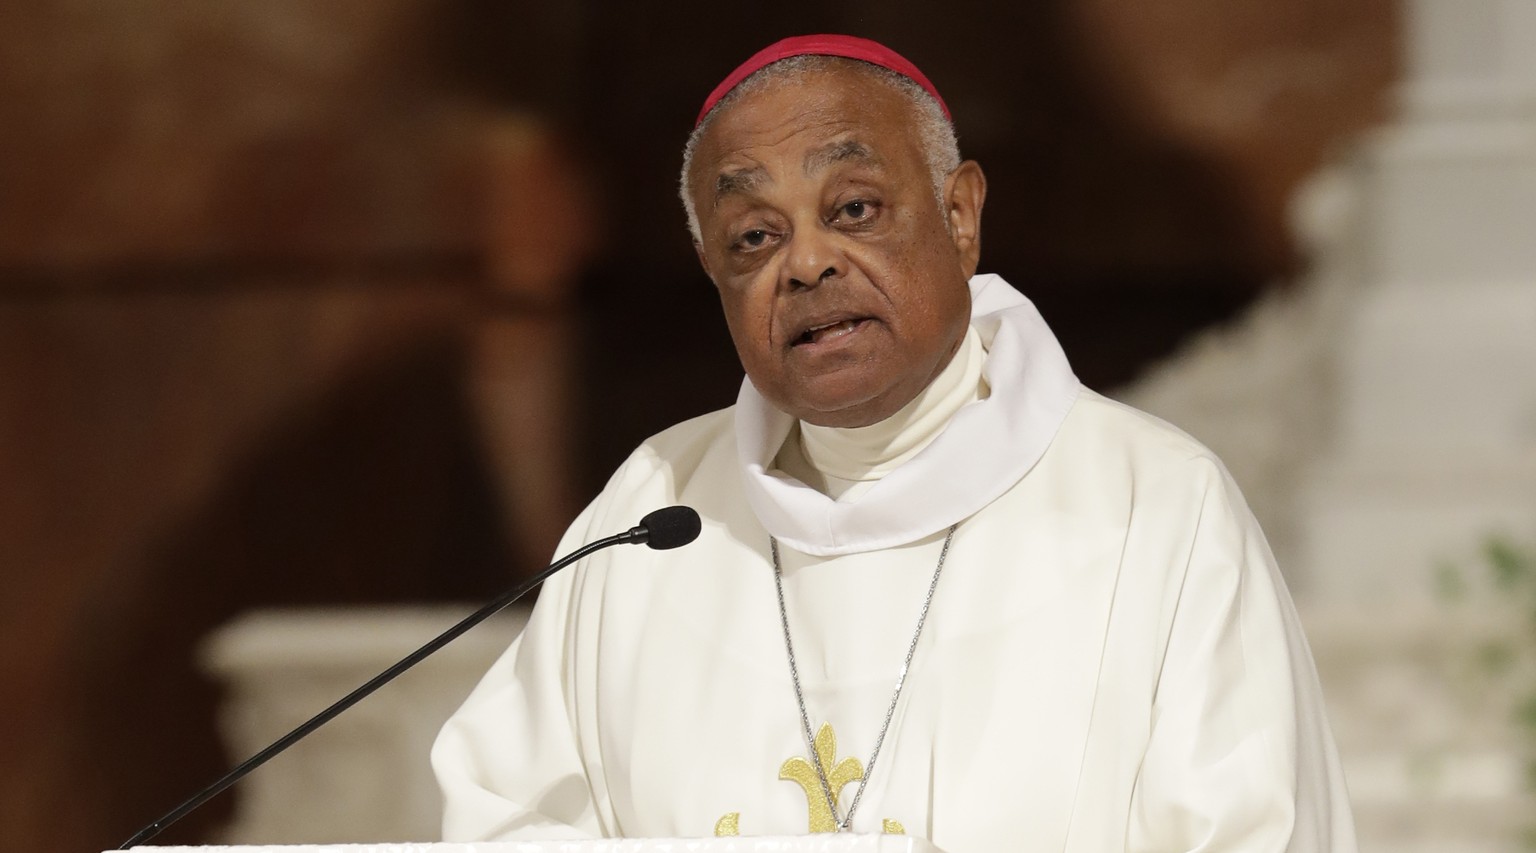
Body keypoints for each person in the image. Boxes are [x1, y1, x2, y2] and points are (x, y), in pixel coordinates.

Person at [432, 34, 1357, 852]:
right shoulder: (652, 513)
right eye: (754, 235)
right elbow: (504, 820)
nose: (805, 262)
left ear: (960, 217)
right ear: (715, 273)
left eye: (855, 209)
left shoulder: (1150, 503)